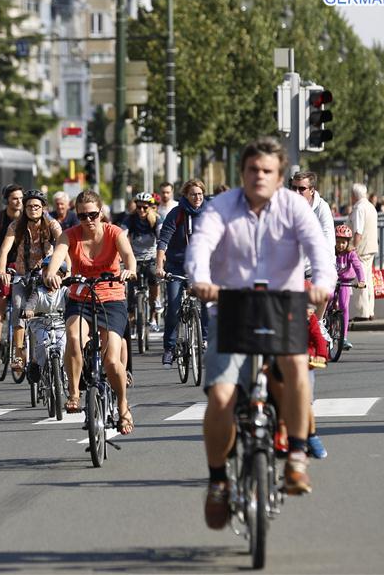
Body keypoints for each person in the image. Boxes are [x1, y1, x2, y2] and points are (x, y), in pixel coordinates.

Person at [185, 137, 336, 526]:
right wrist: (200, 279)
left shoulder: (294, 209)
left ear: (280, 175)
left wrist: (322, 283)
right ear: (242, 173)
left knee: (296, 369)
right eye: (252, 170)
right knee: (220, 395)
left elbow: (320, 251)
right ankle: (218, 480)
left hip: (281, 306)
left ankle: (297, 458)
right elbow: (200, 245)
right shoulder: (221, 207)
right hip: (231, 306)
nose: (259, 177)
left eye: (267, 171)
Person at [43, 190, 137, 434]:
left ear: (101, 213)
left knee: (112, 360)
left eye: (93, 214)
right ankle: (74, 392)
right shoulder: (69, 235)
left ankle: (123, 406)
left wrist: (129, 270)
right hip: (81, 297)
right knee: (73, 336)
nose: (88, 220)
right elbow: (58, 256)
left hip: (112, 298)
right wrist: (52, 273)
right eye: (83, 216)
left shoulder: (114, 232)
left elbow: (128, 256)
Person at [0, 190, 63, 374]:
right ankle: (19, 353)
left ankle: (56, 348)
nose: (33, 209)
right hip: (21, 275)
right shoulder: (16, 225)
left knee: (53, 311)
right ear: (24, 208)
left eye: (37, 206)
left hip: (45, 275)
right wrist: (2, 271)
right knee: (19, 307)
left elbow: (63, 244)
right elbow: (4, 250)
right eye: (29, 206)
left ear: (43, 208)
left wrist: (66, 270)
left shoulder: (52, 223)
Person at [156, 179, 209, 368]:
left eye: (200, 194)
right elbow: (164, 239)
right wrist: (160, 264)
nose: (198, 198)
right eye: (194, 194)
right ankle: (169, 348)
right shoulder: (176, 213)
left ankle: (205, 340)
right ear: (186, 195)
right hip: (177, 266)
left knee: (207, 301)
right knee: (173, 305)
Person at [0, 184, 23, 360]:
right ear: (7, 199)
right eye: (15, 198)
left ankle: (21, 345)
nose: (18, 202)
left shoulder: (26, 217)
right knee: (0, 304)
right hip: (1, 264)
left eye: (21, 198)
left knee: (22, 305)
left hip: (21, 264)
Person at [121, 192, 163, 332]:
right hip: (135, 259)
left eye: (145, 208)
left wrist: (162, 256)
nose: (141, 211)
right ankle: (132, 319)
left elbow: (161, 239)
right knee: (131, 290)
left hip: (151, 258)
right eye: (139, 207)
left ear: (150, 207)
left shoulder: (156, 219)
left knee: (153, 279)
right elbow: (122, 235)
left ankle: (153, 314)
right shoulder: (130, 219)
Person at [348, 183, 378, 321]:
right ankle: (370, 310)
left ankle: (362, 313)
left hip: (362, 250)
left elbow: (358, 232)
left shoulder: (359, 208)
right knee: (368, 281)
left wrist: (352, 247)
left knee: (360, 280)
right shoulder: (371, 206)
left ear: (354, 196)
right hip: (371, 248)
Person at [334, 224, 366, 350]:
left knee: (343, 305)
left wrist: (361, 280)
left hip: (345, 282)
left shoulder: (351, 254)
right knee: (328, 298)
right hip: (332, 280)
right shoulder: (331, 251)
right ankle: (324, 324)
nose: (340, 245)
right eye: (338, 242)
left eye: (343, 242)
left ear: (348, 243)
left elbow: (358, 267)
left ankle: (344, 337)